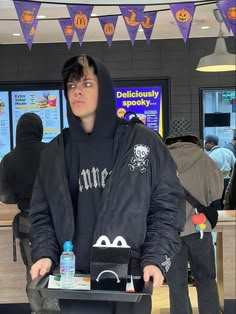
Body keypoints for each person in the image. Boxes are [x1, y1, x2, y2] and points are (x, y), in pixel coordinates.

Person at [29, 54, 186, 314]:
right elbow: (42, 213)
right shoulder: (56, 153)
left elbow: (167, 208)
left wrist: (156, 259)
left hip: (131, 277)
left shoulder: (142, 143)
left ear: (106, 89)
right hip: (75, 279)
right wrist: (45, 253)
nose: (77, 91)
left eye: (87, 84)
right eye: (71, 85)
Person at [164, 118, 224, 314]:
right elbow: (216, 191)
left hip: (171, 231)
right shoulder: (204, 158)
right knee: (206, 280)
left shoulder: (162, 160)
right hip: (200, 228)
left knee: (177, 284)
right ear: (193, 137)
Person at [0, 113, 48, 313]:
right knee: (56, 272)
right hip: (53, 223)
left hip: (27, 224)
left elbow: (4, 195)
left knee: (33, 272)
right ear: (39, 130)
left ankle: (38, 310)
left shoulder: (9, 159)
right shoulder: (52, 153)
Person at [205, 134, 235, 209]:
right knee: (227, 202)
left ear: (211, 143)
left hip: (216, 182)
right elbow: (234, 166)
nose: (205, 145)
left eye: (206, 143)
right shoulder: (228, 152)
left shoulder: (210, 156)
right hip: (229, 181)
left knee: (217, 204)